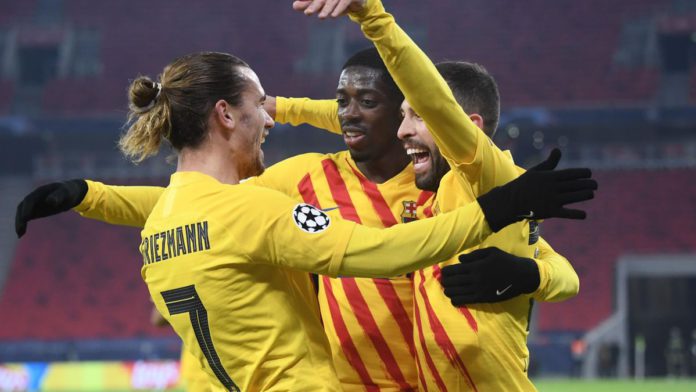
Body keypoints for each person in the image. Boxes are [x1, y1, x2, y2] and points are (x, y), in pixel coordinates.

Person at [15, 50, 595, 390]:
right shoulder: (302, 181)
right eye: (340, 101)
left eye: (366, 102)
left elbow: (556, 268)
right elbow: (379, 249)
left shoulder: (451, 184)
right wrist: (90, 195)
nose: (346, 112)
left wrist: (531, 276)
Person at [296, 0, 592, 389]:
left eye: (417, 117)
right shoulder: (439, 197)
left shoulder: (491, 175)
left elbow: (434, 99)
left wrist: (372, 16)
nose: (402, 131)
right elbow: (567, 275)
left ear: (469, 127)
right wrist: (531, 273)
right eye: (403, 116)